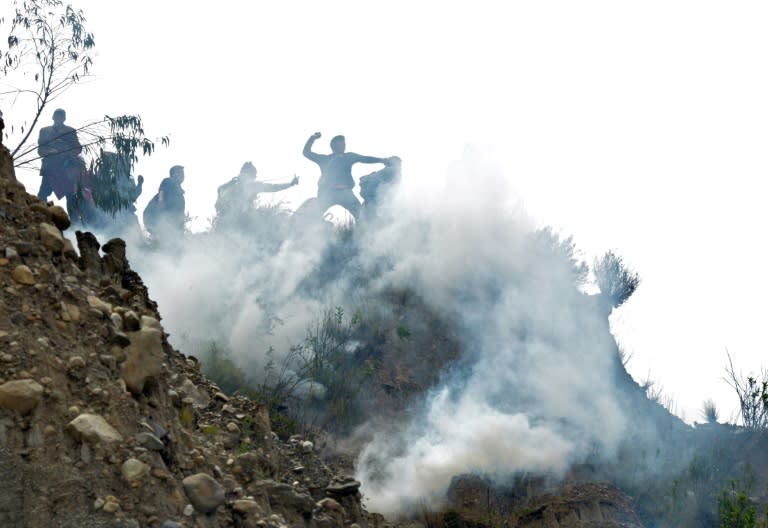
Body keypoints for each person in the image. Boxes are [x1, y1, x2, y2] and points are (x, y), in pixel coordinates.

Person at [302, 132, 390, 220]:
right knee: (313, 217)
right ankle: (304, 231)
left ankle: (364, 232)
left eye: (344, 144)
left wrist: (382, 160)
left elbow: (365, 158)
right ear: (334, 146)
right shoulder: (324, 159)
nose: (344, 146)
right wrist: (312, 138)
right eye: (341, 144)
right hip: (328, 193)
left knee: (361, 216)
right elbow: (306, 153)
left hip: (346, 193)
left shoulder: (348, 157)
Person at [214, 161, 298, 230]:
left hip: (221, 223)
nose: (256, 177)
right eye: (255, 175)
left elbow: (218, 200)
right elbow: (273, 187)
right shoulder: (252, 185)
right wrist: (291, 184)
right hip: (240, 224)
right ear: (251, 174)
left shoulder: (228, 185)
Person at [36, 108, 83, 203]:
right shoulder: (44, 131)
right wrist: (49, 151)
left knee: (70, 196)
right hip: (49, 168)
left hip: (65, 168)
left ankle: (73, 218)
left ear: (64, 118)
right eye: (57, 115)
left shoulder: (70, 131)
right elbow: (40, 149)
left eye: (61, 116)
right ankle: (42, 214)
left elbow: (78, 148)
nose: (58, 117)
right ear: (53, 117)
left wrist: (65, 152)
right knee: (42, 194)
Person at [143, 165, 186, 240]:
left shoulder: (180, 195)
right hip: (154, 217)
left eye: (183, 173)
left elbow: (180, 216)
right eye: (180, 173)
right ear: (173, 174)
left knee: (168, 240)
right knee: (164, 239)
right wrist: (161, 203)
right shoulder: (168, 181)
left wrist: (180, 232)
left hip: (165, 222)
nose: (183, 175)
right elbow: (162, 191)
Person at [359, 156, 402, 221]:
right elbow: (395, 186)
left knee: (369, 214)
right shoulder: (393, 170)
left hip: (369, 194)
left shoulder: (383, 171)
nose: (400, 165)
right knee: (376, 214)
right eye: (399, 163)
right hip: (374, 194)